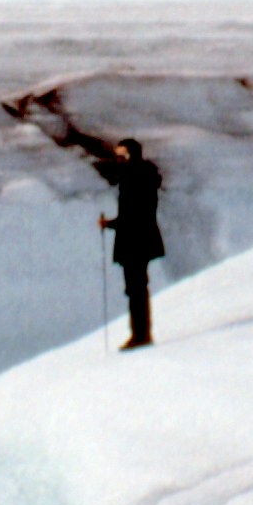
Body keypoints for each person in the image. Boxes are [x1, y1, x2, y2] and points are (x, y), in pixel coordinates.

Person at [88, 137, 164, 350]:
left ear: (130, 155)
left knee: (135, 288)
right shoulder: (145, 175)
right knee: (138, 287)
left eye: (121, 155)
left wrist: (110, 224)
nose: (118, 159)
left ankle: (140, 335)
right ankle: (141, 332)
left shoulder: (133, 177)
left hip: (134, 241)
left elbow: (132, 215)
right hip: (143, 238)